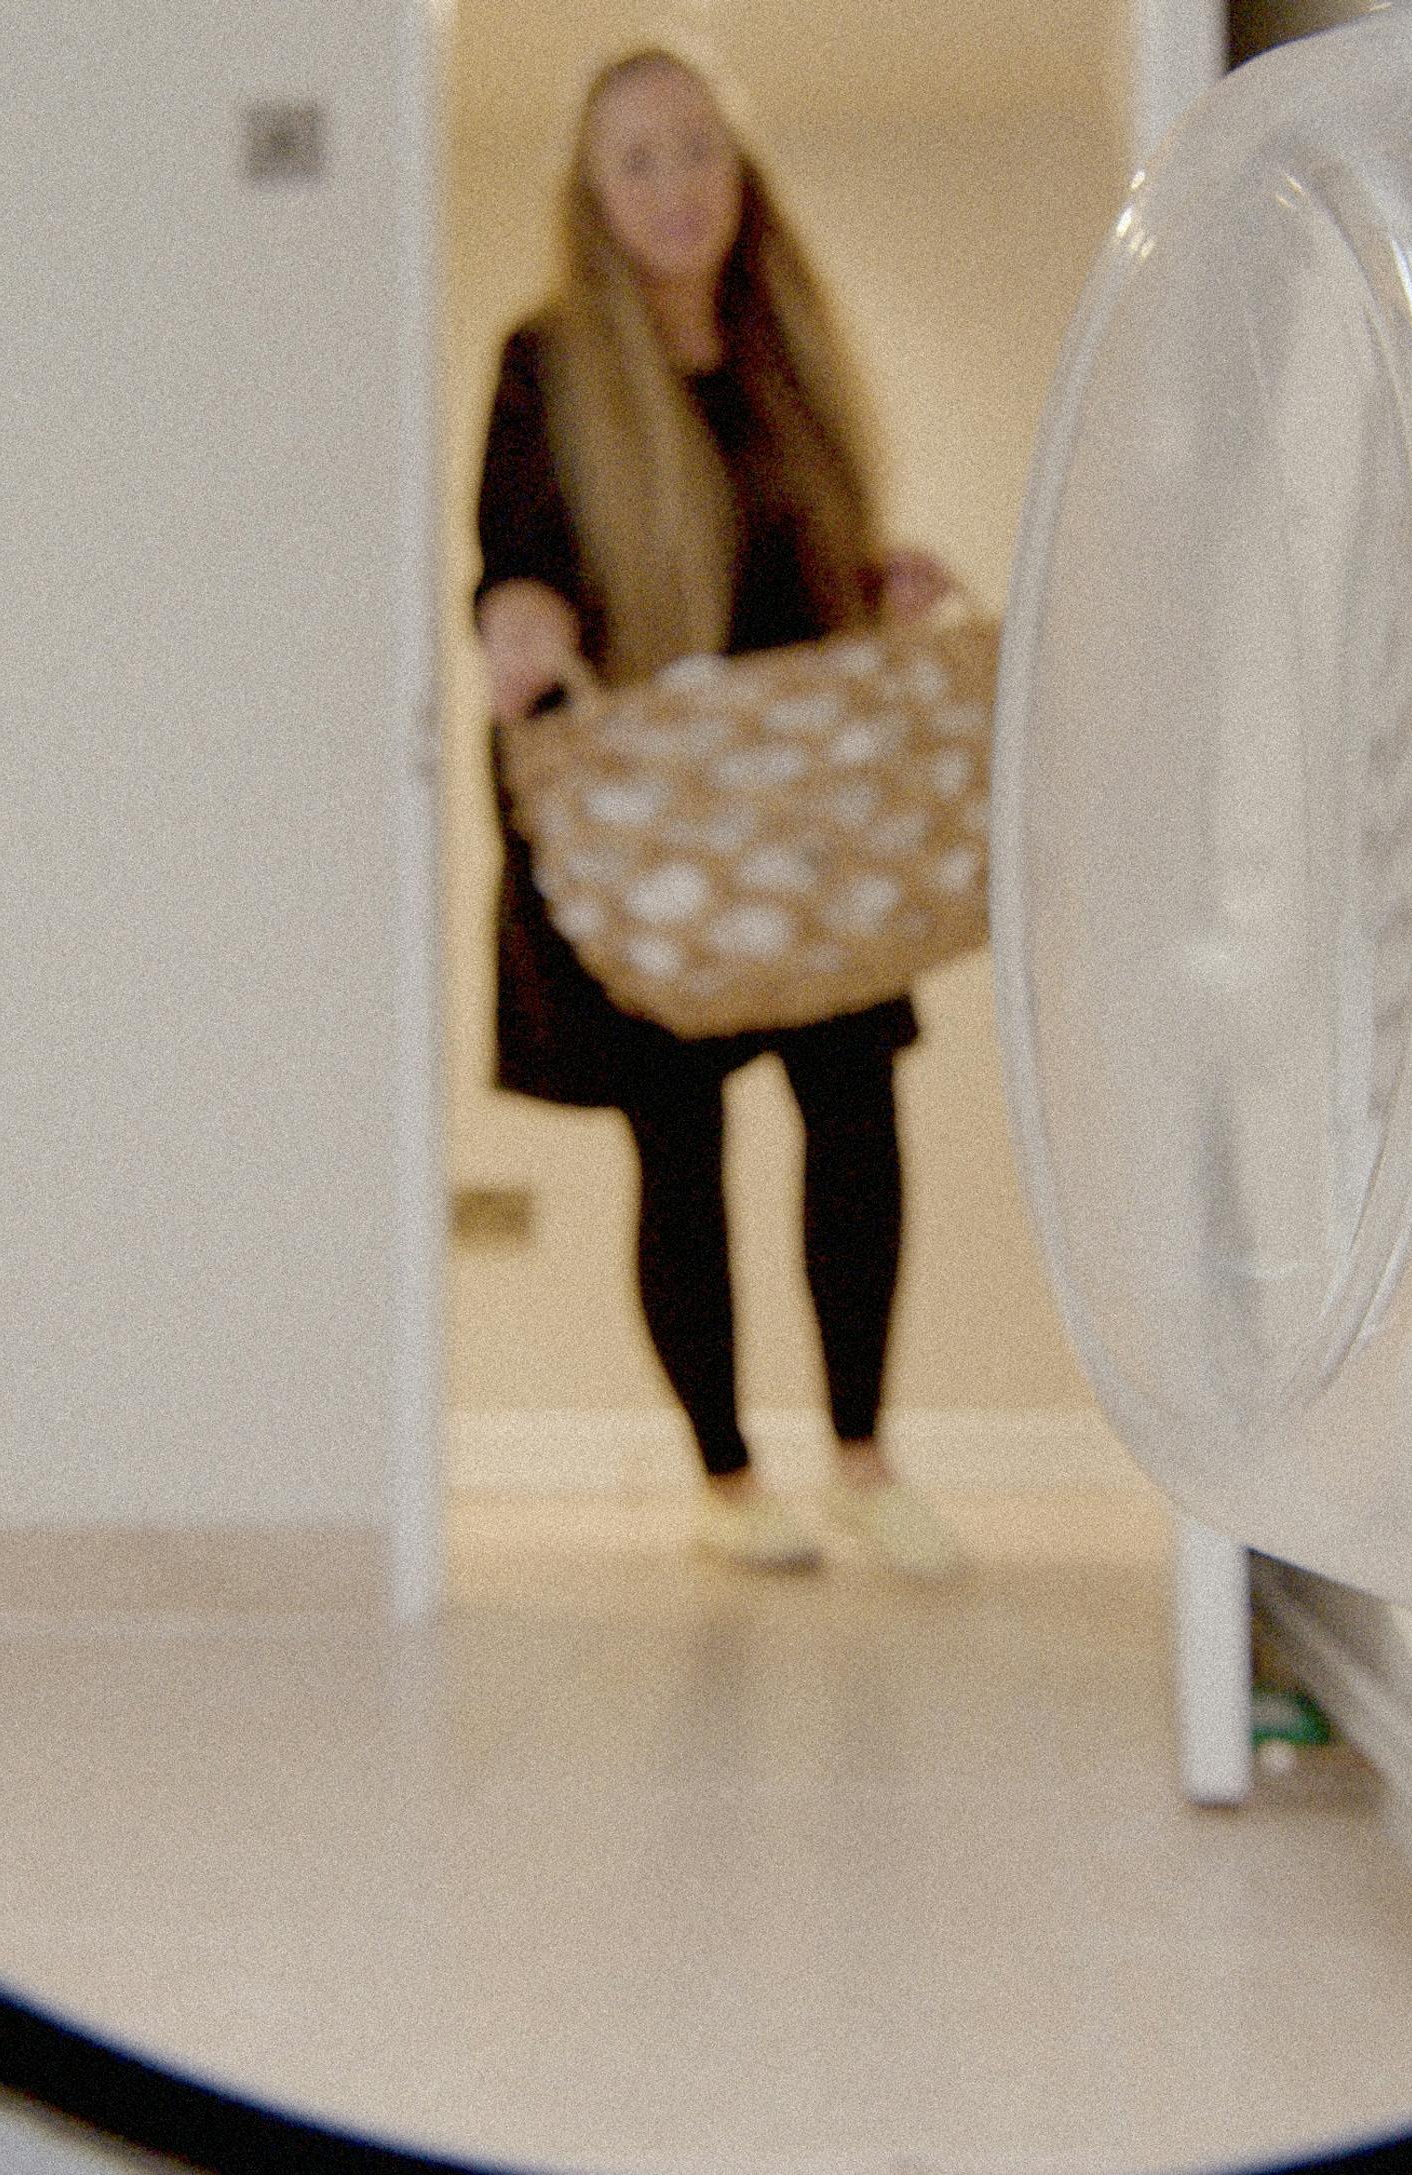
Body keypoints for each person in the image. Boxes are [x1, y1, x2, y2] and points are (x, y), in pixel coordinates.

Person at [472, 46, 965, 1579]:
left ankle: (866, 1462)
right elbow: (517, 551)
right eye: (638, 159)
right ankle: (728, 1486)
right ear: (593, 194)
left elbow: (797, 566)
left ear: (736, 173)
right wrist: (521, 620)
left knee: (854, 1116)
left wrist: (878, 584)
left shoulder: (785, 356)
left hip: (807, 817)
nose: (675, 183)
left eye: (696, 150)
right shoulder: (548, 365)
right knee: (676, 1146)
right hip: (651, 839)